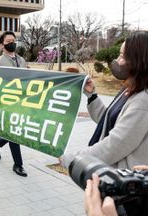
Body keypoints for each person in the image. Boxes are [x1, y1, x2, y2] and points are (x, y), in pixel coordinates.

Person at [61, 31, 148, 170]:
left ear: (138, 61)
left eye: (122, 56)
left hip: (125, 182)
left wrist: (72, 159)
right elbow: (109, 121)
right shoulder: (130, 89)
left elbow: (114, 146)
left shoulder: (143, 101)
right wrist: (92, 96)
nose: (117, 61)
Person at [0, 31, 28, 177]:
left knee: (17, 129)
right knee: (14, 132)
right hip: (7, 102)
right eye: (8, 41)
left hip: (22, 101)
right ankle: (18, 165)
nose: (12, 43)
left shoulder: (22, 60)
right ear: (1, 45)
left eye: (14, 40)